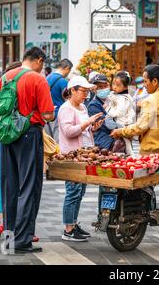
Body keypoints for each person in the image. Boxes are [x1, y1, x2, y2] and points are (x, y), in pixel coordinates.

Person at [110, 64, 159, 249]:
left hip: (151, 155)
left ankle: (136, 219)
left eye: (145, 81)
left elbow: (141, 127)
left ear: (155, 81)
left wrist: (120, 131)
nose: (144, 85)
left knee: (137, 189)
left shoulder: (150, 101)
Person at [0, 46, 55, 254]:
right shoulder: (38, 79)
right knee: (29, 187)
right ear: (38, 60)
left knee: (9, 186)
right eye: (42, 64)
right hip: (29, 135)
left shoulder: (6, 77)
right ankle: (22, 241)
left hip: (7, 136)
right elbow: (47, 114)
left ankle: (10, 239)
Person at [57, 76, 103, 241]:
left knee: (80, 192)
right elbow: (69, 131)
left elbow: (84, 131)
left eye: (87, 92)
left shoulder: (82, 107)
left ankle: (74, 224)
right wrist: (86, 124)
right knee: (72, 192)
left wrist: (93, 127)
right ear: (73, 90)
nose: (85, 95)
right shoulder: (65, 108)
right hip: (72, 156)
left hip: (84, 155)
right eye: (83, 91)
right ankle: (68, 229)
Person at [0, 61, 22, 239]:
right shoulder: (9, 89)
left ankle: (5, 223)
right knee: (9, 180)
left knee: (3, 179)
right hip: (8, 138)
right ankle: (7, 223)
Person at [106, 71, 136, 155]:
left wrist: (107, 109)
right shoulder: (116, 95)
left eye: (118, 85)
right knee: (125, 147)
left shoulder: (124, 98)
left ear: (125, 87)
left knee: (124, 147)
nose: (114, 87)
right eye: (113, 84)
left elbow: (118, 112)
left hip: (123, 125)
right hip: (119, 125)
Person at [87, 74, 118, 150]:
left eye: (105, 86)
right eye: (100, 87)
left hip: (116, 141)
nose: (103, 89)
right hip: (104, 144)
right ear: (94, 89)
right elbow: (108, 125)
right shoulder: (93, 105)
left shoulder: (113, 100)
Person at [45, 59, 73, 142]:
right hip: (58, 115)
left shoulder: (47, 78)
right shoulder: (62, 81)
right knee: (58, 142)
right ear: (67, 68)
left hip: (46, 115)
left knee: (49, 142)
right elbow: (69, 100)